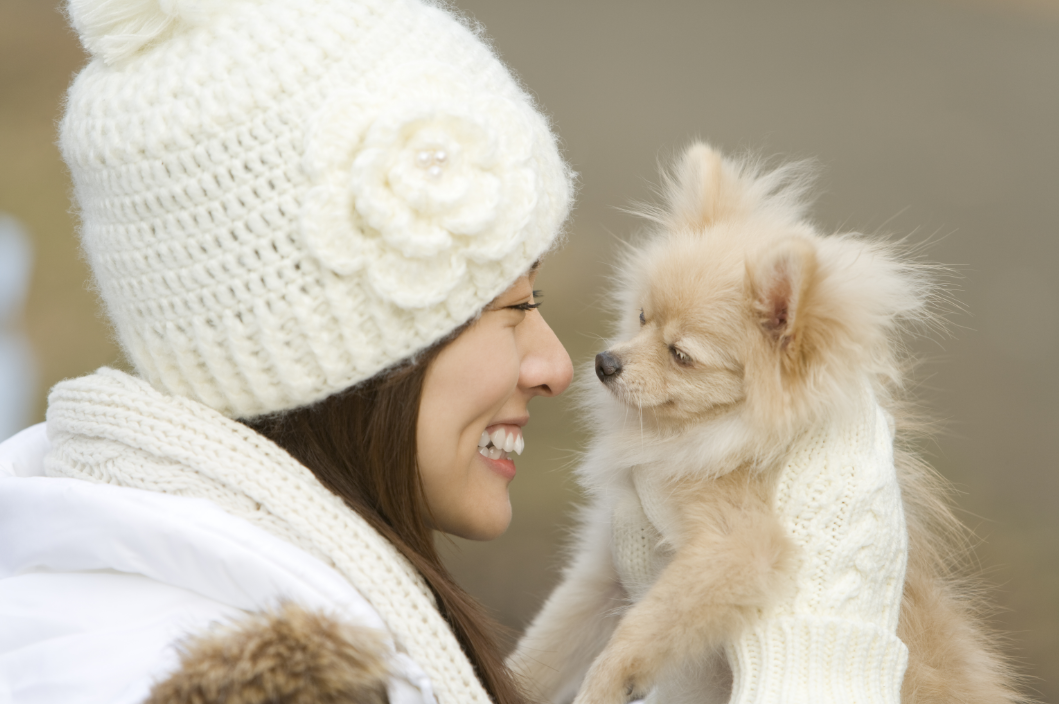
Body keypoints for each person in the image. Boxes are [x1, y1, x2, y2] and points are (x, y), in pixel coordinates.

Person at [0, 0, 910, 703]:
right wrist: (825, 647)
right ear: (354, 357)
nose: (560, 364)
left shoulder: (97, 591)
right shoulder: (271, 681)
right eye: (508, 310)